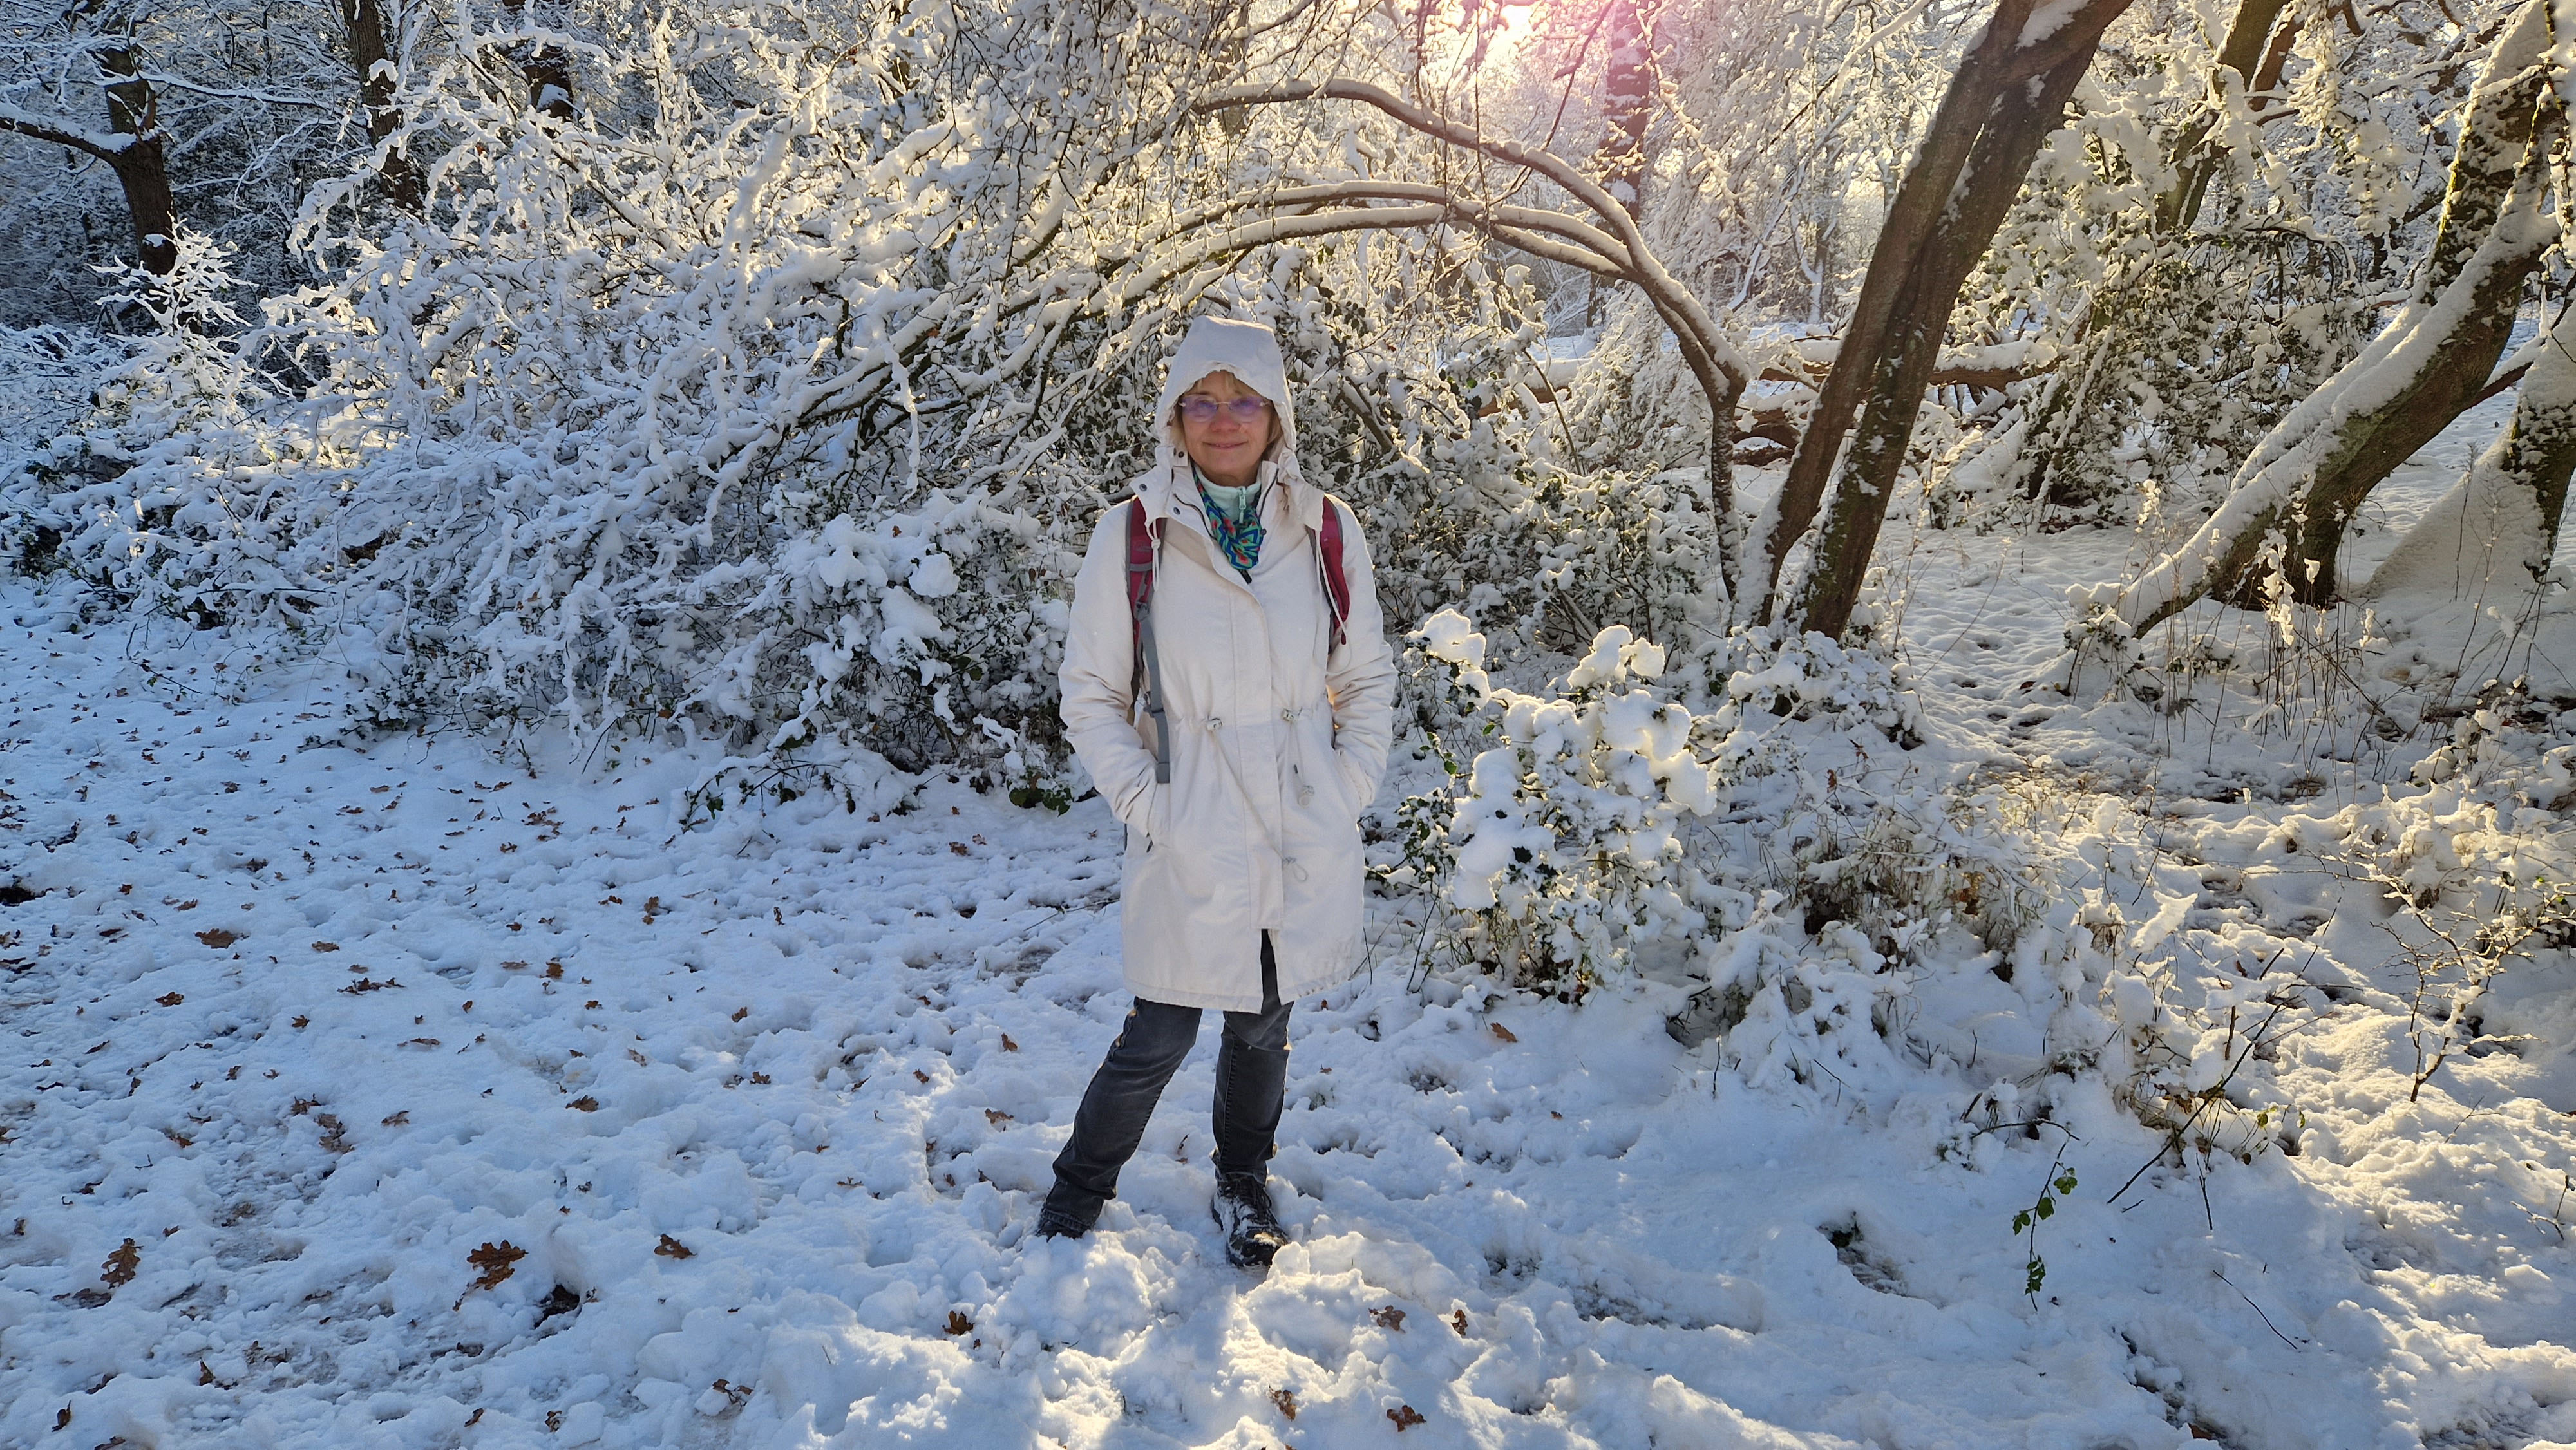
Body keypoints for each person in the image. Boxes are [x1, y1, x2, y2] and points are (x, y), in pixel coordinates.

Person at [1041, 316, 1397, 1268]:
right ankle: (1080, 1185)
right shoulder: (1134, 532)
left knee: (1263, 1023)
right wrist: (1152, 808)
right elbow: (1090, 693)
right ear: (1176, 416)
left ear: (1277, 414)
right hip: (1191, 821)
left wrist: (1344, 785)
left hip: (1293, 819)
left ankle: (1244, 1180)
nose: (1225, 419)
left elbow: (1363, 676)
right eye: (1204, 400)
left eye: (1245, 400)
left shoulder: (1325, 527)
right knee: (1160, 1023)